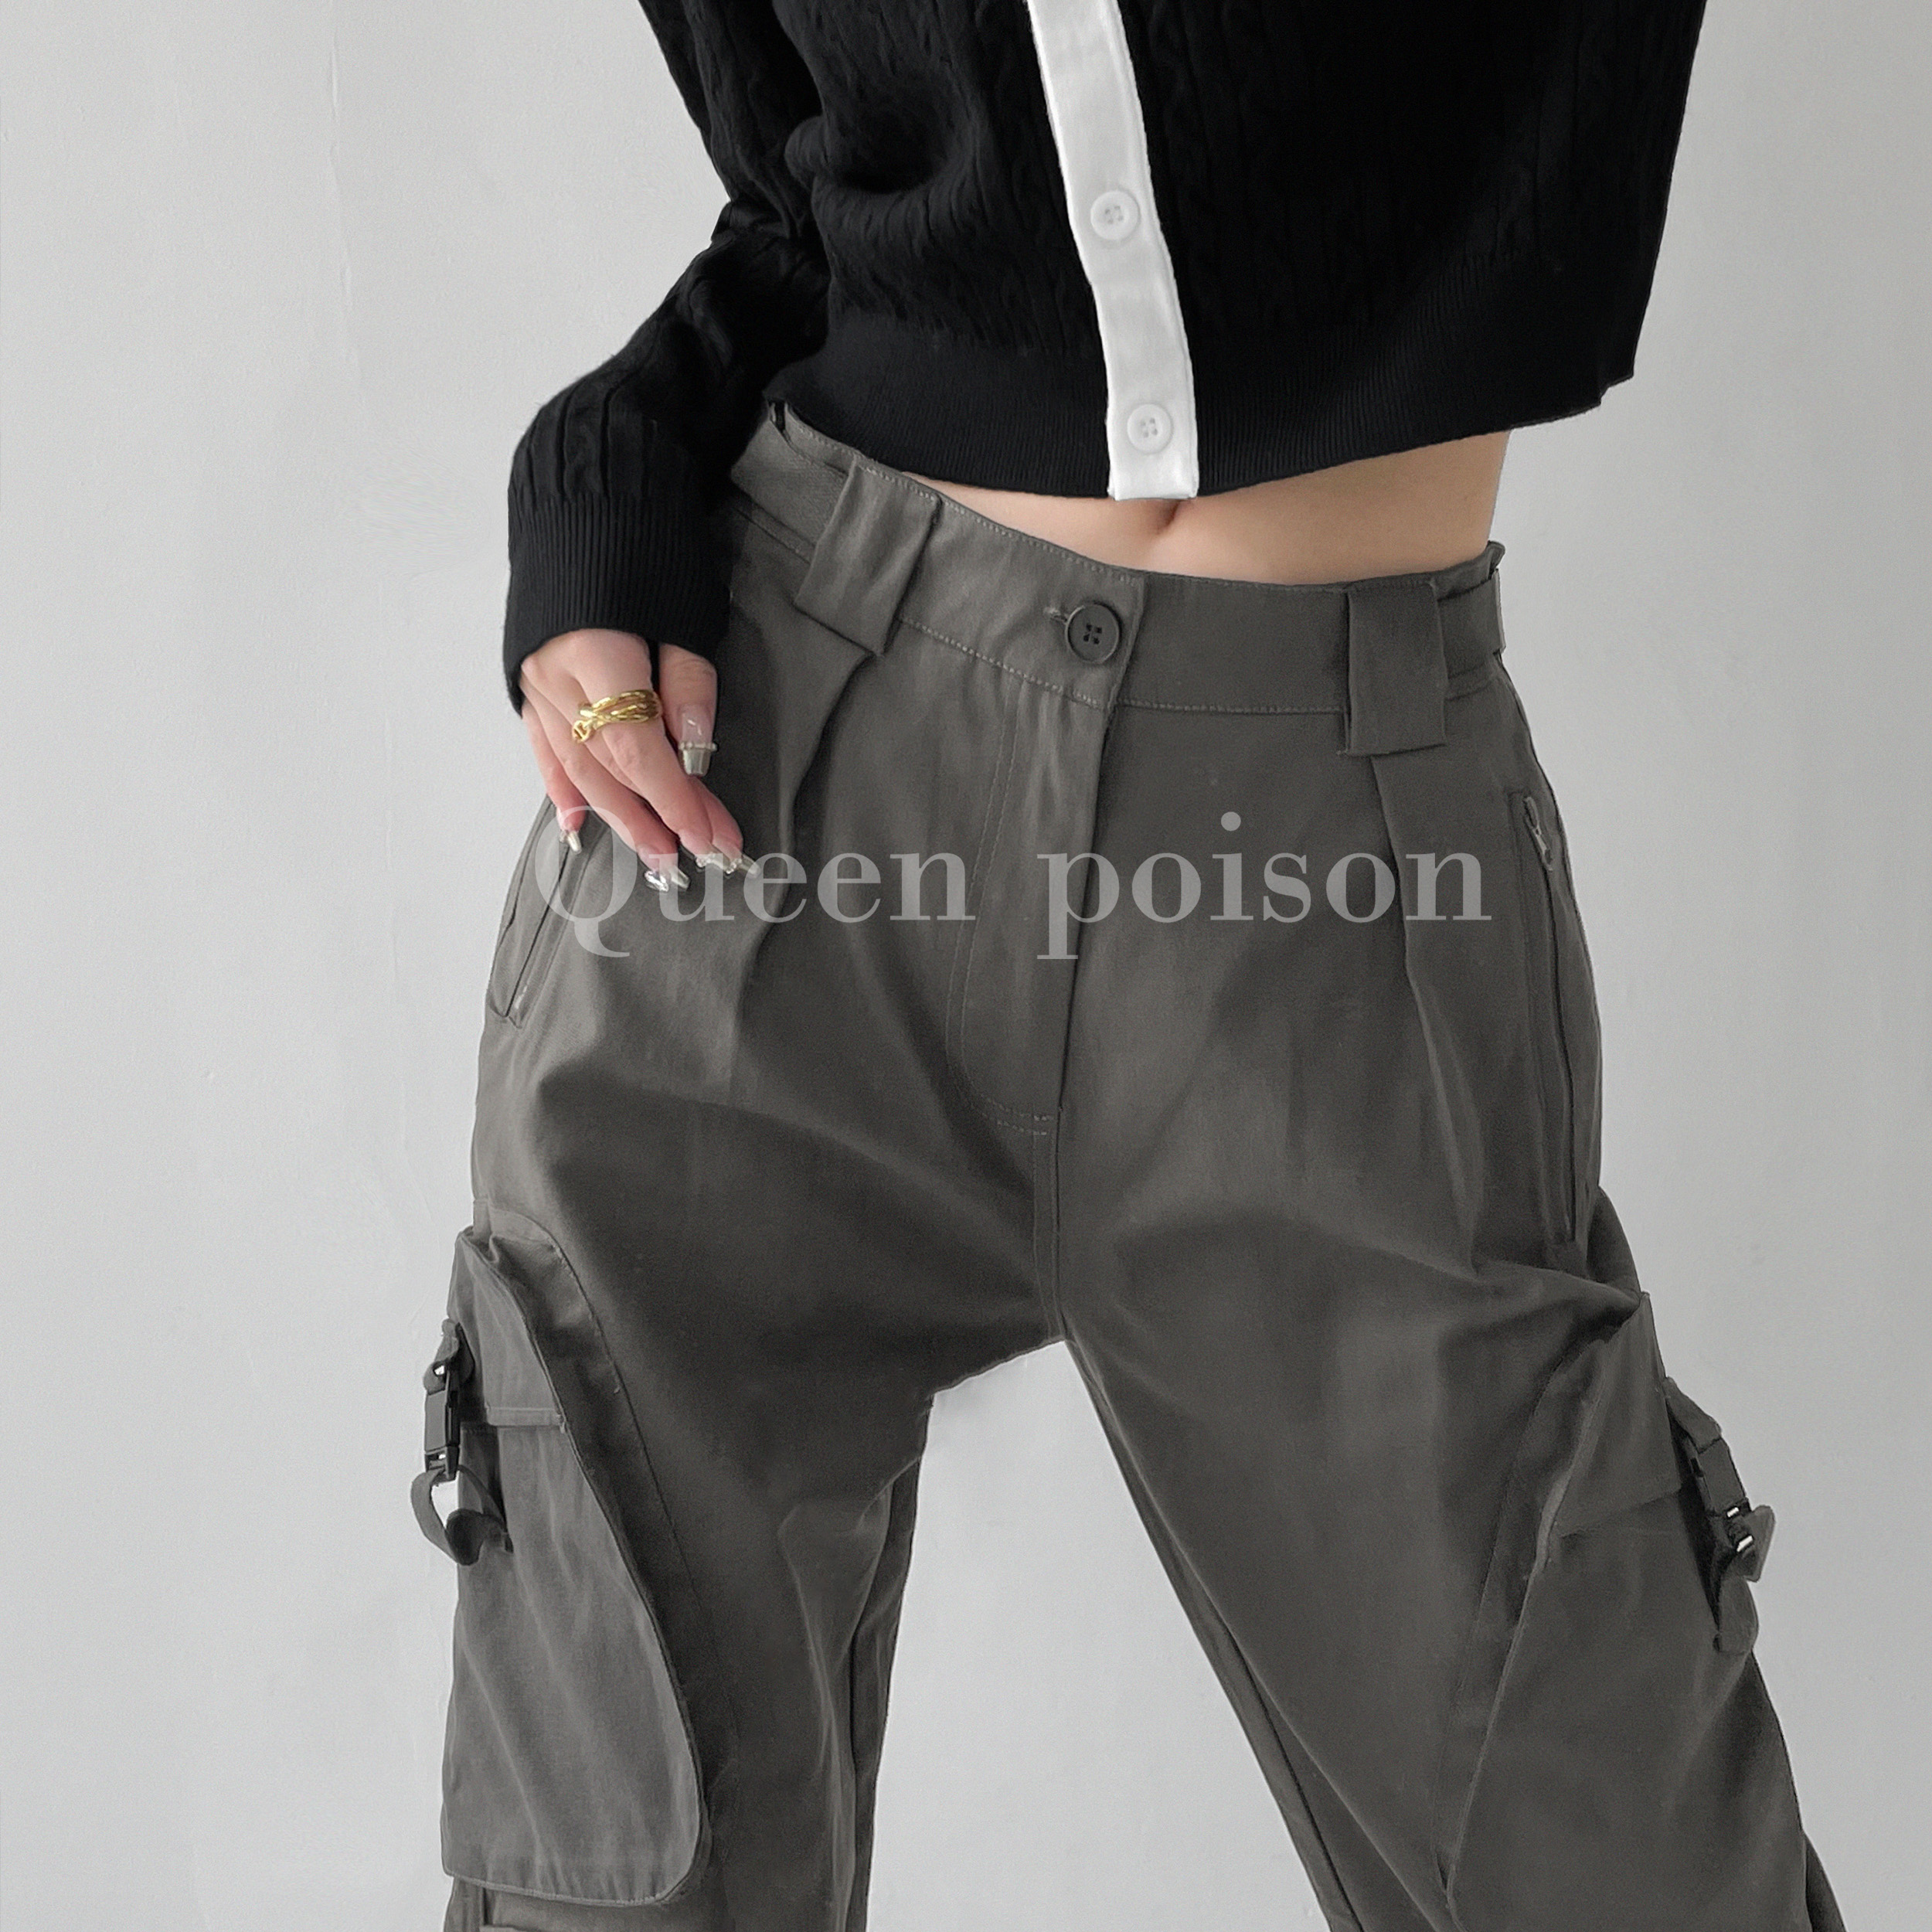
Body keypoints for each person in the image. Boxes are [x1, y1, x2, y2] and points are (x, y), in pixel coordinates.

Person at [412, 5, 1845, 1928]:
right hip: (773, 801)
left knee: (1613, 1859)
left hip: (1326, 853)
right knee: (613, 1875)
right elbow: (807, 200)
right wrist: (601, 467)